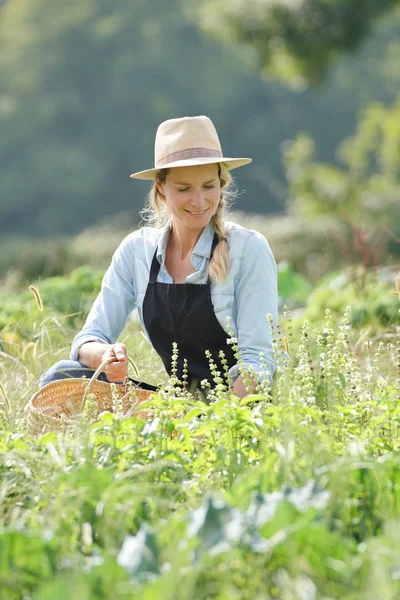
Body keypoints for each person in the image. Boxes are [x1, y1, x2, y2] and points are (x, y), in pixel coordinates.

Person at [39, 115, 279, 398]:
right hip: (176, 411)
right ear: (161, 189)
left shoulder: (248, 249)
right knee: (60, 376)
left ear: (221, 183)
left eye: (208, 186)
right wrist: (107, 356)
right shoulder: (136, 252)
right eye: (184, 189)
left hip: (238, 411)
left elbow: (257, 364)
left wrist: (217, 428)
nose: (199, 201)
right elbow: (87, 341)